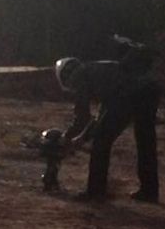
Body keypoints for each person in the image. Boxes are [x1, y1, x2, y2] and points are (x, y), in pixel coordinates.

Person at [55, 41, 159, 203]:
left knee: (101, 143)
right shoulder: (97, 70)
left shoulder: (80, 77)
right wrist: (81, 138)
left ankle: (95, 192)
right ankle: (150, 190)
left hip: (128, 95)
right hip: (148, 90)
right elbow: (99, 118)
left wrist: (67, 138)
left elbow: (83, 117)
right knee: (145, 142)